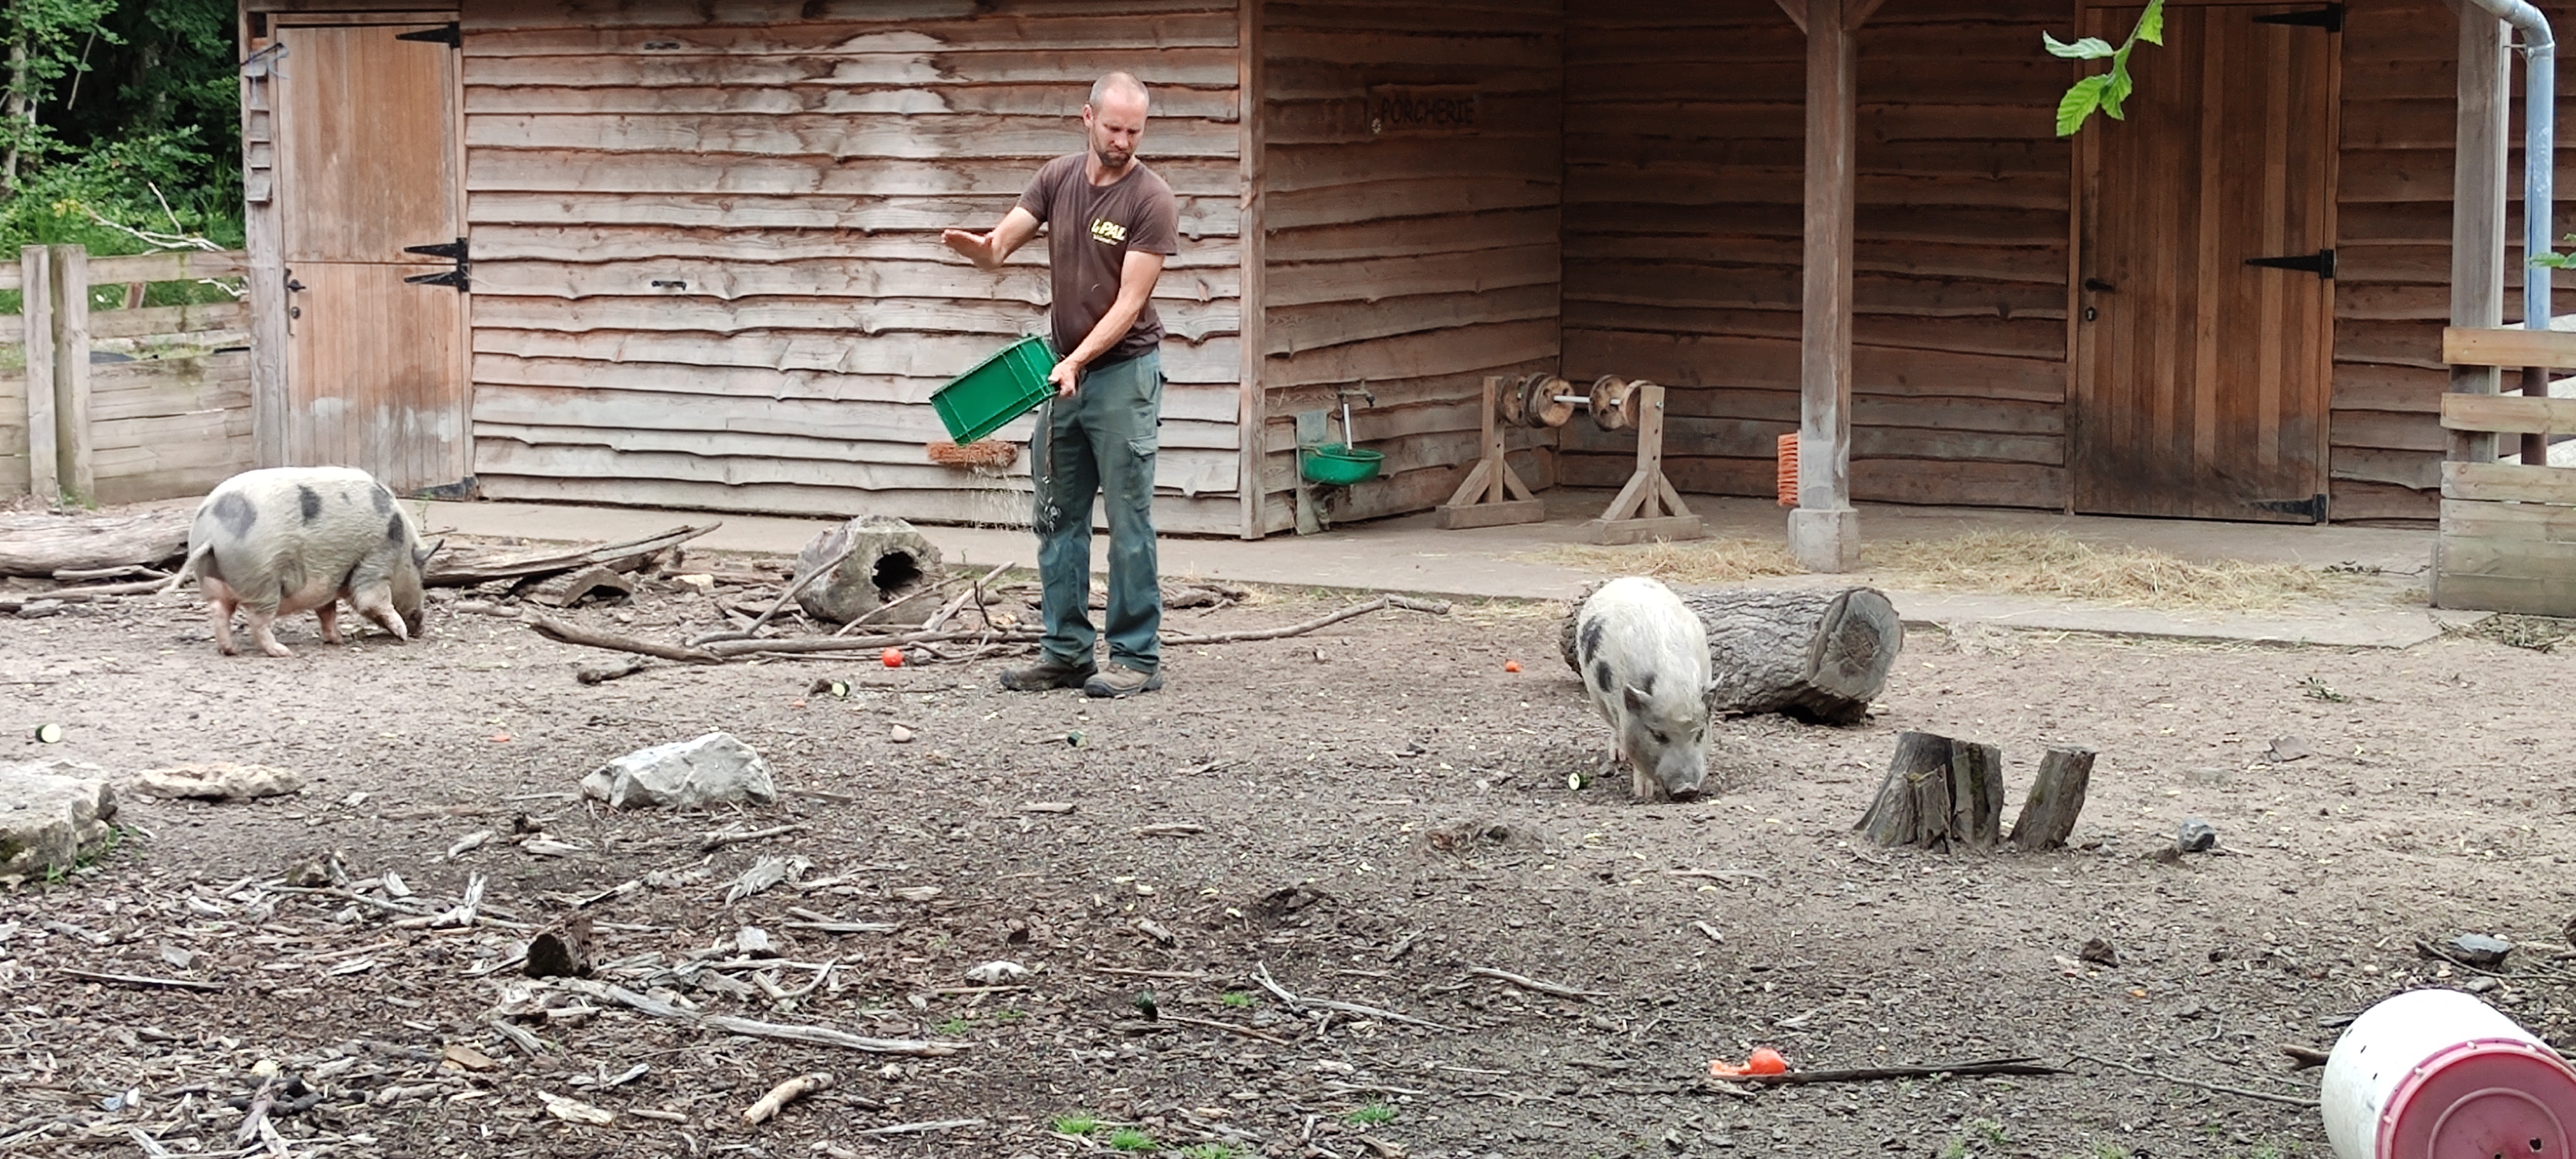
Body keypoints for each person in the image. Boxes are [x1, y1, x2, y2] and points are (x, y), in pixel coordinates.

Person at [941, 72, 1179, 698]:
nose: (1123, 141)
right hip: (1063, 373)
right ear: (1087, 118)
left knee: (1128, 520)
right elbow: (999, 248)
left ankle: (1136, 657)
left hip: (1123, 374)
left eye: (1134, 131)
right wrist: (976, 249)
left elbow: (1129, 304)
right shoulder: (1056, 179)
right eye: (1114, 128)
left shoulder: (1151, 199)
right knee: (1056, 514)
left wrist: (1077, 360)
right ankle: (1066, 652)